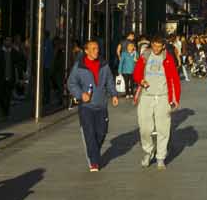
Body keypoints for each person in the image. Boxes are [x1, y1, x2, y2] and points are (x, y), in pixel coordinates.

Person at [67, 40, 120, 171]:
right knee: (89, 133)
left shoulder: (104, 65)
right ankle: (94, 161)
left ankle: (94, 152)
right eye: (93, 48)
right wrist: (80, 94)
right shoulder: (79, 66)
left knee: (101, 133)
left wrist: (113, 95)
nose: (97, 51)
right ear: (86, 51)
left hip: (101, 105)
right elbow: (71, 83)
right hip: (86, 107)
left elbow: (109, 80)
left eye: (97, 48)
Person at [132, 35, 180, 169]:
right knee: (145, 128)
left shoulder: (168, 59)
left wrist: (175, 99)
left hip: (163, 96)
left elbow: (174, 79)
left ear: (163, 46)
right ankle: (148, 151)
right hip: (146, 96)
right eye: (154, 46)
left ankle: (160, 157)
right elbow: (136, 73)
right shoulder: (144, 57)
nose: (156, 49)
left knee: (163, 128)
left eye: (159, 46)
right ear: (151, 45)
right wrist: (140, 80)